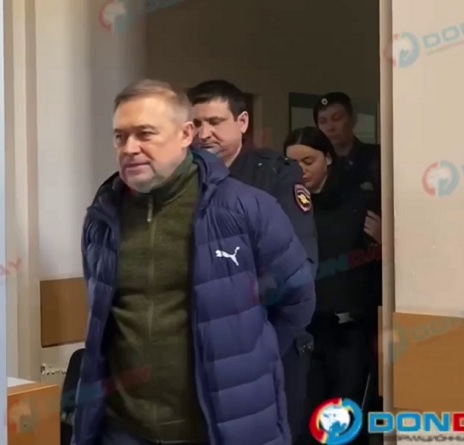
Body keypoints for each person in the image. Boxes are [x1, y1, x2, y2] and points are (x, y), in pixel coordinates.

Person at [74, 79, 316, 445]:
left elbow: (297, 299)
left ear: (186, 134)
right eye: (120, 137)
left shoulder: (246, 208)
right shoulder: (103, 217)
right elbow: (103, 315)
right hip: (123, 431)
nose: (130, 148)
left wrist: (247, 358)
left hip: (221, 429)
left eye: (145, 134)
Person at [188, 79, 317, 444]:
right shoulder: (184, 181)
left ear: (242, 122)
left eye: (215, 122)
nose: (204, 134)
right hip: (206, 353)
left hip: (271, 344)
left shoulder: (275, 175)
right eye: (197, 124)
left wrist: (253, 336)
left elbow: (298, 272)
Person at [283, 127, 381, 444]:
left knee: (343, 425)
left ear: (327, 158)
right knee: (305, 421)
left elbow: (383, 265)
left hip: (350, 331)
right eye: (292, 163)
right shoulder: (286, 206)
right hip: (305, 332)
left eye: (308, 161)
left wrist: (385, 244)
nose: (300, 170)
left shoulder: (359, 199)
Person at [313, 92, 381, 198]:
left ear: (352, 119)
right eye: (323, 122)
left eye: (337, 118)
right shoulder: (316, 163)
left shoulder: (376, 157)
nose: (330, 127)